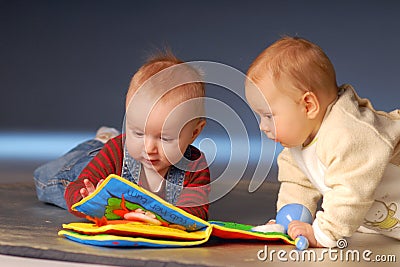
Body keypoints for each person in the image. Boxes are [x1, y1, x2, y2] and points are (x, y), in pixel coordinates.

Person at [245, 36, 400, 248]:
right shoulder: (296, 145)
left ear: (308, 105)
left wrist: (324, 233)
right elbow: (297, 185)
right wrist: (289, 223)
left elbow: (350, 191)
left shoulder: (347, 134)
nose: (262, 126)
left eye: (269, 116)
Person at [34, 52, 210, 221]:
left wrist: (158, 217)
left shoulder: (195, 167)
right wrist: (88, 199)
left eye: (164, 138)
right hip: (86, 168)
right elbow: (77, 187)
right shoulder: (116, 152)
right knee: (47, 181)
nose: (149, 149)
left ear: (194, 133)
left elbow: (196, 212)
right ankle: (99, 141)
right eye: (138, 133)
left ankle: (109, 139)